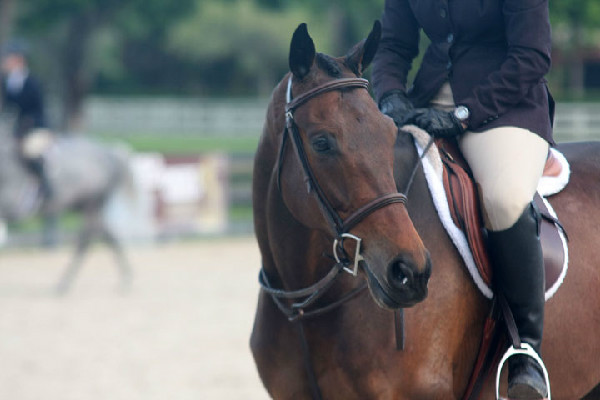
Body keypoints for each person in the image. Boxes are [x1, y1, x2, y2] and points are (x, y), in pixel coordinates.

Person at [372, 0, 553, 398]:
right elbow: (393, 47)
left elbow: (532, 56)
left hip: (506, 108)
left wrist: (465, 115)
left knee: (504, 200)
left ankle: (526, 352)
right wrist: (389, 96)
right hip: (426, 100)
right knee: (367, 188)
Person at [1, 40, 53, 204]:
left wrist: (23, 127)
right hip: (15, 129)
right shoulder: (6, 83)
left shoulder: (32, 83)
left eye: (7, 59)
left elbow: (37, 110)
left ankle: (45, 186)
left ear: (18, 60)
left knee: (28, 151)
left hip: (35, 128)